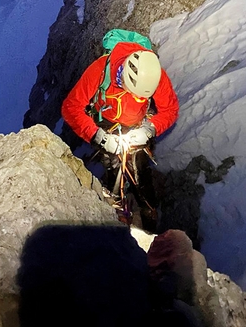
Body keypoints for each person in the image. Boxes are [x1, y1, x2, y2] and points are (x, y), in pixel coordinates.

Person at [61, 40, 179, 221]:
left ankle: (147, 209)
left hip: (138, 123)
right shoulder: (101, 70)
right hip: (107, 122)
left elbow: (170, 110)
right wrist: (98, 137)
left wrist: (149, 128)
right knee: (113, 164)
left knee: (139, 166)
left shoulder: (154, 75)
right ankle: (117, 205)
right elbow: (71, 107)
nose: (136, 98)